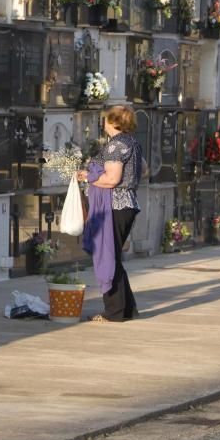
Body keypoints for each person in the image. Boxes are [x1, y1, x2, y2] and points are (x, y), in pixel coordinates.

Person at [77, 106, 142, 322]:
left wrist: (88, 177)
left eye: (105, 119)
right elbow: (145, 169)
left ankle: (114, 312)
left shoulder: (116, 145)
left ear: (113, 122)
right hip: (126, 204)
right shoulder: (131, 142)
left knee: (108, 257)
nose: (102, 122)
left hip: (114, 205)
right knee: (114, 257)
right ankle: (126, 309)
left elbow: (112, 179)